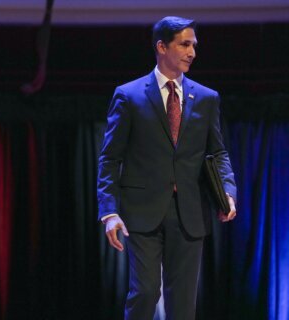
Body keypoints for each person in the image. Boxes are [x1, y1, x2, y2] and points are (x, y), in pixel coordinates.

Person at [97, 16, 237, 320]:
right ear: (162, 46)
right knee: (146, 291)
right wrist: (109, 212)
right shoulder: (129, 95)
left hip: (190, 210)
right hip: (142, 210)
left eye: (194, 45)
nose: (192, 52)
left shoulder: (206, 98)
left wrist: (228, 191)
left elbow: (219, 151)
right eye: (184, 44)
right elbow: (110, 158)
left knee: (183, 303)